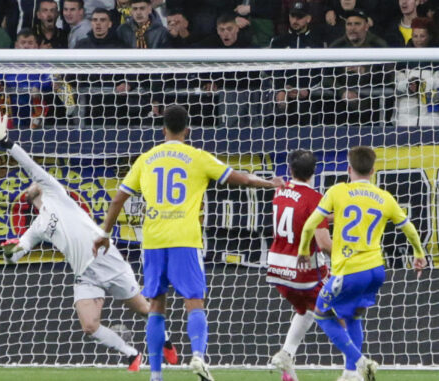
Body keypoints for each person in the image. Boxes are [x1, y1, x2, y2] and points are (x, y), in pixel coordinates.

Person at [93, 105, 285, 381]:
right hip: (185, 238)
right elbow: (241, 178)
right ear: (188, 130)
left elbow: (118, 199)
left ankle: (156, 375)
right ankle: (198, 356)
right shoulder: (197, 157)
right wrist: (270, 183)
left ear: (163, 130)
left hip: (154, 240)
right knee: (194, 301)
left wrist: (105, 233)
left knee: (156, 305)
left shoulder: (147, 158)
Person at [0, 111, 179, 372]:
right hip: (85, 275)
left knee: (143, 309)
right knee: (89, 326)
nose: (29, 185)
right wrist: (8, 252)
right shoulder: (37, 227)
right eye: (28, 187)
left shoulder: (54, 191)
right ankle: (132, 355)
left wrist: (6, 141)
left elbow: (29, 164)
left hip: (106, 259)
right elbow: (19, 251)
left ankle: (165, 341)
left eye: (32, 184)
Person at [297, 146, 428, 381]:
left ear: (349, 169)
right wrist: (419, 253)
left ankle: (360, 362)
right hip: (376, 271)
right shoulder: (384, 197)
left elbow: (309, 224)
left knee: (320, 313)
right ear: (373, 170)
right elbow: (409, 228)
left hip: (349, 270)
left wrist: (303, 250)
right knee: (354, 316)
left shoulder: (338, 191)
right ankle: (351, 374)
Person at [267, 150, 332, 381]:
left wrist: (335, 215)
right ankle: (355, 366)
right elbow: (324, 243)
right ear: (314, 172)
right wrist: (349, 256)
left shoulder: (280, 192)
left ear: (290, 170)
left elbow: (303, 215)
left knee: (305, 311)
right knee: (339, 307)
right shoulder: (315, 199)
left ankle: (287, 360)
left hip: (276, 268)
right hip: (303, 271)